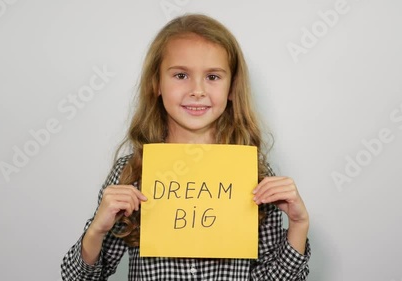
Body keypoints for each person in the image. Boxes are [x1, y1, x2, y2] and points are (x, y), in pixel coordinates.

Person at [61, 13, 310, 281]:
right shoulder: (132, 173)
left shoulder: (253, 174)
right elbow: (78, 278)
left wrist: (298, 225)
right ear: (156, 83)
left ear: (231, 88)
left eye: (213, 77)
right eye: (181, 75)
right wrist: (97, 230)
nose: (197, 90)